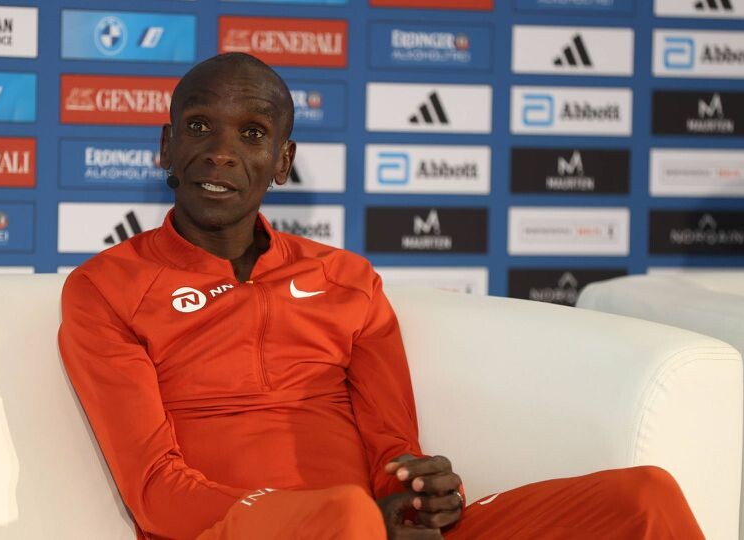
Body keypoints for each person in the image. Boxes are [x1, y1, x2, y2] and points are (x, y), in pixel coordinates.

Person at [58, 53, 704, 539]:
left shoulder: (347, 280)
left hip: (369, 526)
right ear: (167, 147)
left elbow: (392, 447)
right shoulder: (106, 289)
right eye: (199, 126)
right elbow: (156, 493)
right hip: (248, 530)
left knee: (644, 499)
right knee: (345, 515)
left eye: (252, 134)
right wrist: (338, 515)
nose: (221, 153)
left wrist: (417, 490)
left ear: (283, 162)